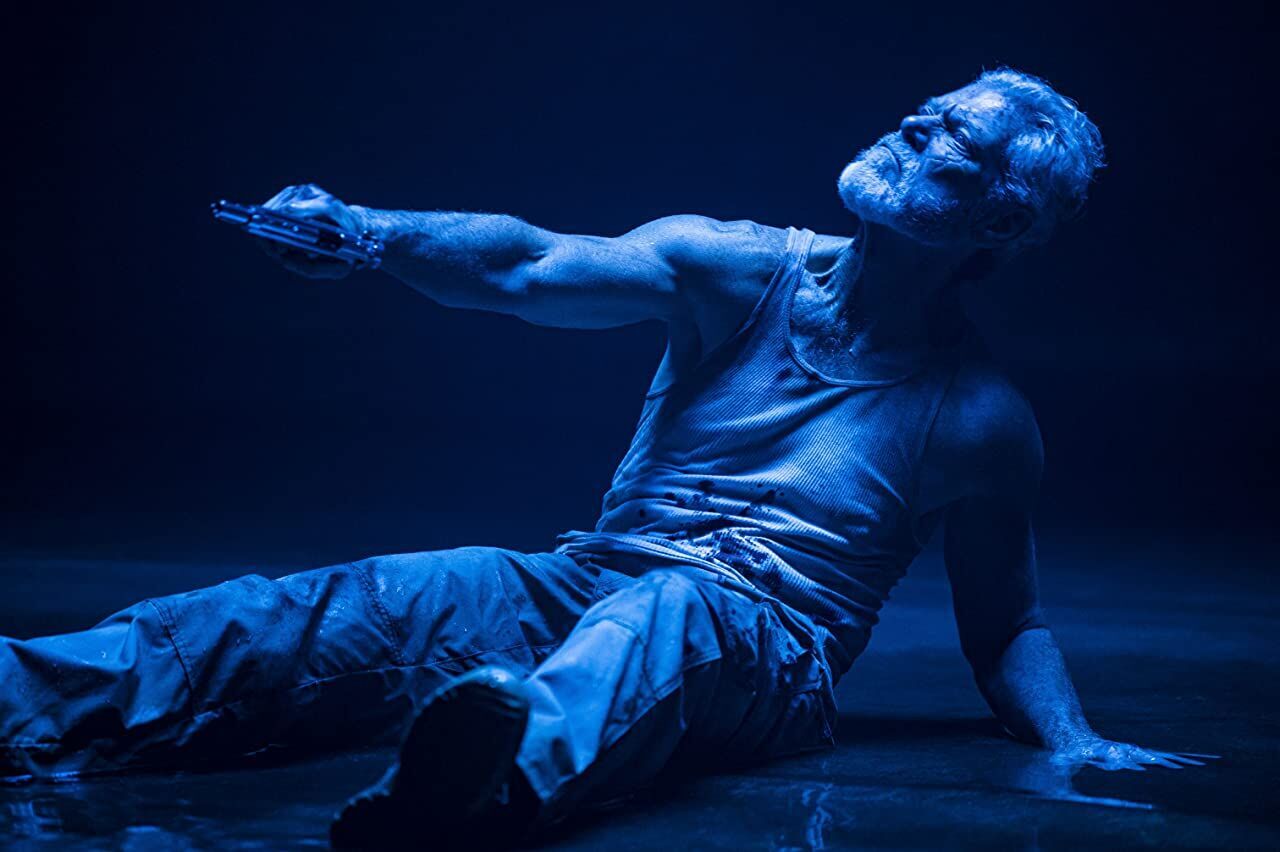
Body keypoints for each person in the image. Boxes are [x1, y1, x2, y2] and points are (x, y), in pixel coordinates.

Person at [0, 68, 1206, 849]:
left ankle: (479, 790)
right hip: (589, 580)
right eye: (924, 110)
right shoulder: (732, 265)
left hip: (765, 648)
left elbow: (1005, 625)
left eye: (952, 139)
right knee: (371, 600)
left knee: (669, 616)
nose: (911, 128)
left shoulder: (980, 417)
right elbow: (524, 263)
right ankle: (34, 697)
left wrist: (1072, 743)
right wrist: (364, 234)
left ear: (1000, 218)